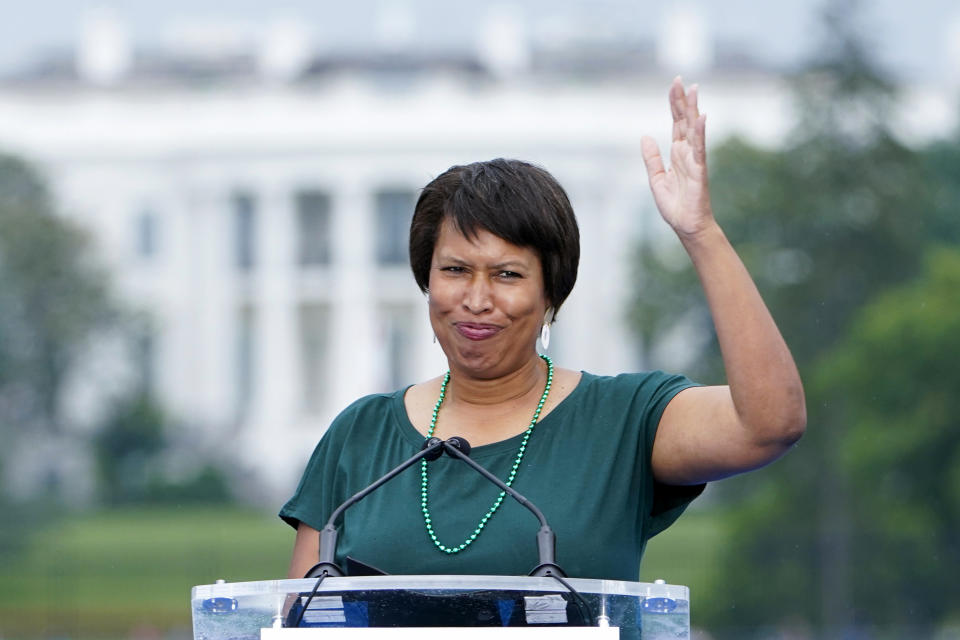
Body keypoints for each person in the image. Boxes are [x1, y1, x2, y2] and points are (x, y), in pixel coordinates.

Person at [281, 78, 806, 581]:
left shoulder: (624, 421)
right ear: (426, 280)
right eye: (455, 270)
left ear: (552, 292)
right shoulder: (361, 434)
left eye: (507, 275)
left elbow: (769, 423)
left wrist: (701, 234)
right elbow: (300, 612)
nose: (477, 299)